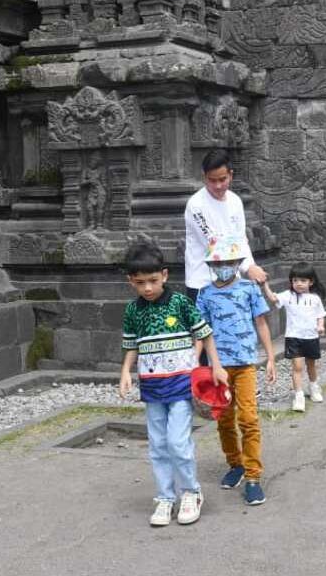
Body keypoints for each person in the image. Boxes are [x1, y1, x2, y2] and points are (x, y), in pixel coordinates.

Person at [118, 241, 228, 527]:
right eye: (140, 283)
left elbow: (205, 333)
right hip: (152, 389)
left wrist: (215, 366)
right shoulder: (133, 311)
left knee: (178, 442)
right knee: (158, 444)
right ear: (131, 281)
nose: (148, 288)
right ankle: (165, 496)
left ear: (164, 275)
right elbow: (131, 345)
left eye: (153, 281)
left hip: (180, 385)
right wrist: (126, 372)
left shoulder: (180, 303)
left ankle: (191, 492)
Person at [195, 234, 276, 506]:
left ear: (238, 262)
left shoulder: (249, 289)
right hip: (218, 366)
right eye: (217, 263)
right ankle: (235, 464)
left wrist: (271, 358)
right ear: (209, 265)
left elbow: (261, 323)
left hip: (245, 365)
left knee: (249, 418)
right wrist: (196, 363)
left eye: (229, 262)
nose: (223, 267)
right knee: (224, 419)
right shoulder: (205, 294)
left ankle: (253, 476)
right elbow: (201, 331)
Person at [184, 149, 267, 304]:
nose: (218, 185)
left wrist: (251, 265)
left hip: (233, 281)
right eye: (212, 180)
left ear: (231, 175)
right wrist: (248, 268)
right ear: (204, 178)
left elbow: (240, 239)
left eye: (223, 179)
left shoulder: (235, 201)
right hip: (202, 282)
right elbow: (214, 244)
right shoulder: (195, 205)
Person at [260, 262, 326, 412]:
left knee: (311, 365)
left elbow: (320, 315)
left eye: (303, 281)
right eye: (295, 280)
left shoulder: (315, 298)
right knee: (297, 366)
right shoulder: (287, 296)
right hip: (293, 337)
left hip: (311, 337)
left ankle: (314, 387)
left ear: (311, 282)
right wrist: (265, 284)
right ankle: (298, 395)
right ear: (291, 281)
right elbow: (273, 298)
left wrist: (321, 326)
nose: (299, 284)